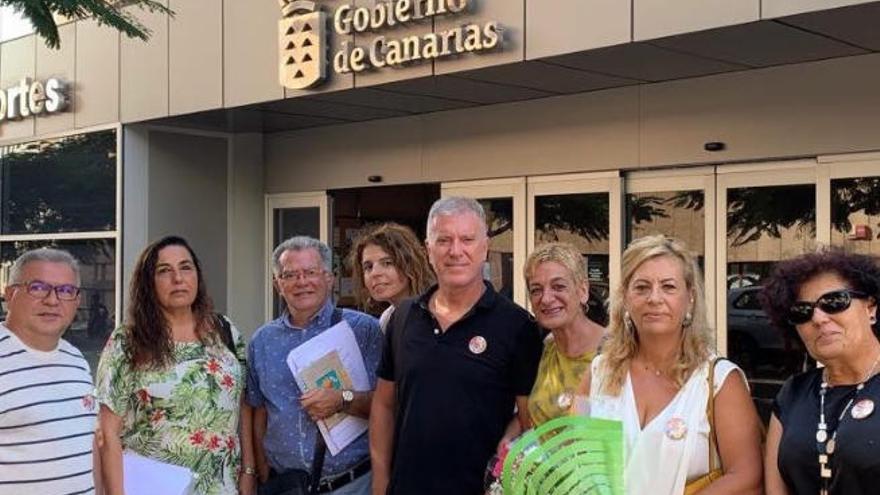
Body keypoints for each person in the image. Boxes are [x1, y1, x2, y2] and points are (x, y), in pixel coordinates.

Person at [370, 196, 543, 495]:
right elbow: (384, 405)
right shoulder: (403, 317)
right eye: (444, 240)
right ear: (428, 249)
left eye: (467, 239)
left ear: (485, 247)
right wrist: (381, 482)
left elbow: (530, 421)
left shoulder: (517, 327)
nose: (455, 251)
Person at [582, 235, 762, 494]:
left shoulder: (719, 380)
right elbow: (575, 461)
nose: (654, 298)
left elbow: (748, 476)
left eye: (668, 287)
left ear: (690, 297)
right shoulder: (599, 372)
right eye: (641, 287)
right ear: (625, 297)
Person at [95, 236, 254, 495]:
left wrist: (249, 471)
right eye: (164, 271)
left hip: (222, 487)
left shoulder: (225, 331)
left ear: (197, 276)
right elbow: (107, 433)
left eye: (185, 267)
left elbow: (242, 405)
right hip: (152, 487)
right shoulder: (128, 341)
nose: (177, 278)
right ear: (149, 283)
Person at [247, 236, 382, 495]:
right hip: (285, 486)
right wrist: (259, 469)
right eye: (290, 275)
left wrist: (343, 399)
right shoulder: (262, 341)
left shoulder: (363, 330)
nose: (302, 282)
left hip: (352, 484)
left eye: (310, 272)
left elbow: (389, 404)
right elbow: (258, 408)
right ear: (278, 284)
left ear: (329, 278)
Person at [761, 249, 880, 495]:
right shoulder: (793, 394)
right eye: (802, 312)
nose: (818, 318)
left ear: (871, 308)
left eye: (834, 302)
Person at [0, 248, 97, 494]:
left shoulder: (75, 360)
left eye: (65, 291)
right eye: (38, 287)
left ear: (76, 301)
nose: (52, 300)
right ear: (10, 295)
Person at [348, 222, 433, 331]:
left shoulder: (437, 313)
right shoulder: (387, 319)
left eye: (387, 263)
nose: (375, 273)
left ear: (410, 264)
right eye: (368, 267)